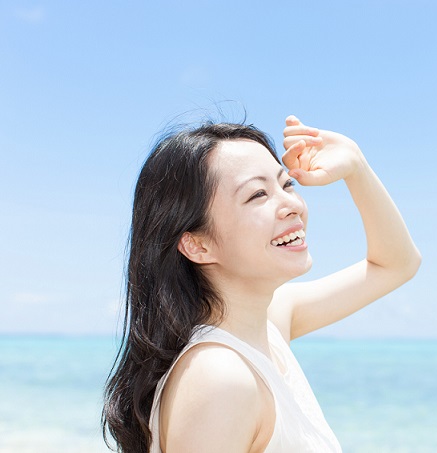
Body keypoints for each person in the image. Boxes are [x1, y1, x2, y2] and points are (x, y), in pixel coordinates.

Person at [103, 115, 421, 453]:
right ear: (198, 245)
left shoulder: (267, 324)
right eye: (257, 194)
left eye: (286, 185)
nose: (292, 205)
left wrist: (356, 166)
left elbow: (397, 264)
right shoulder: (220, 378)